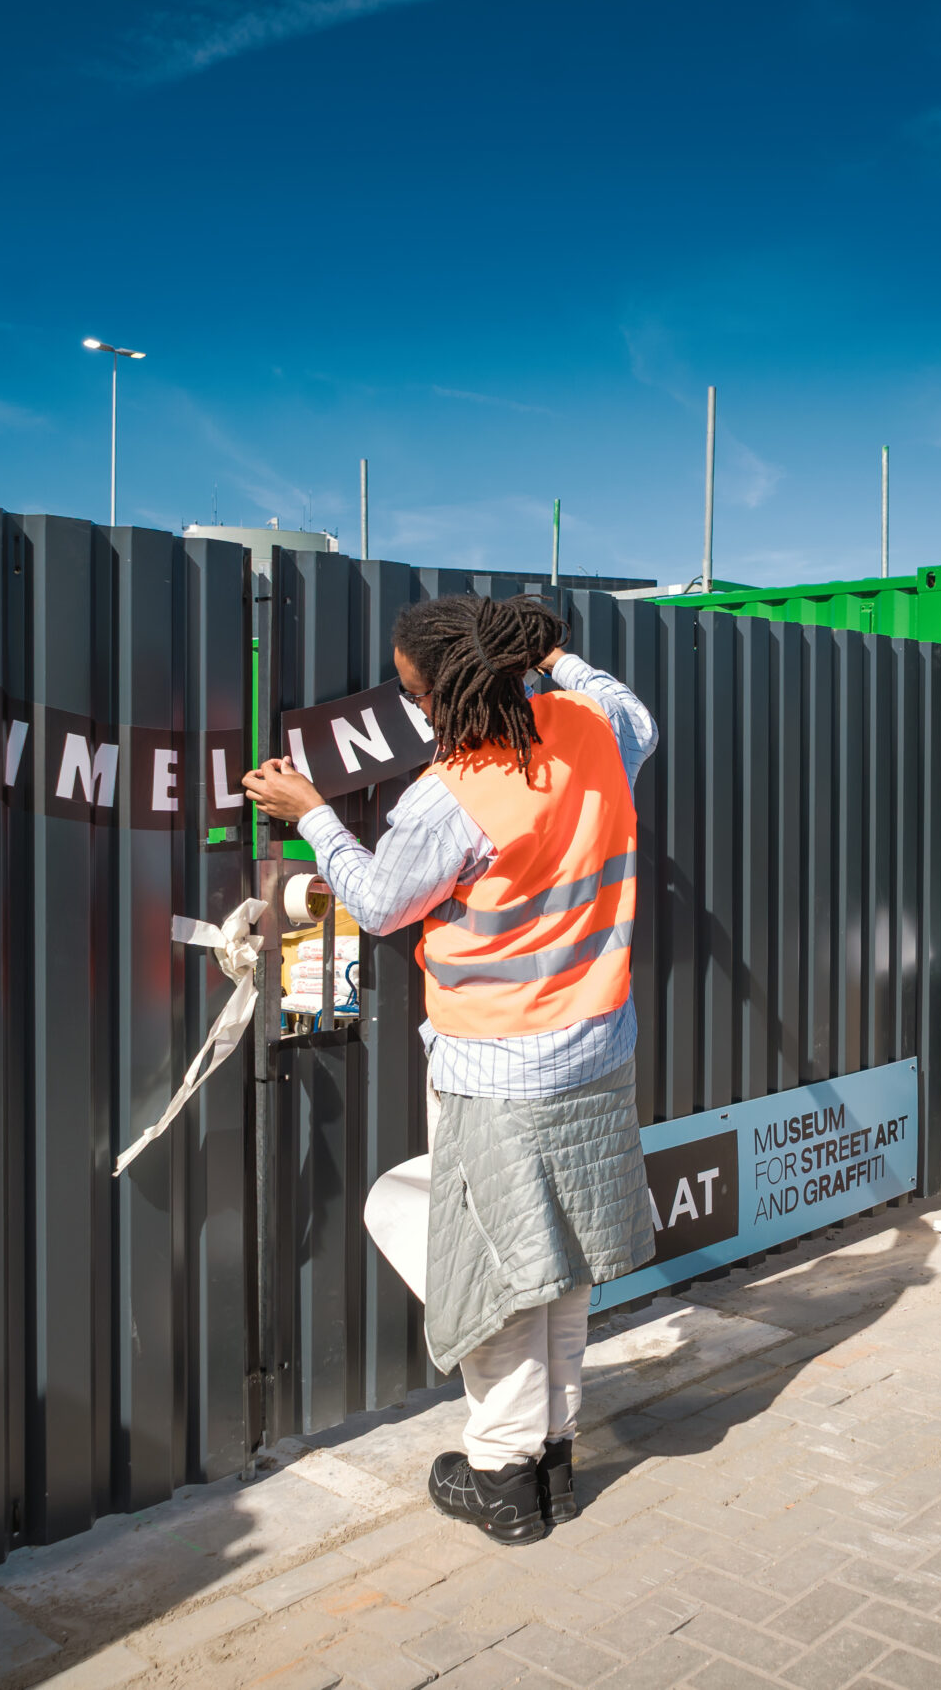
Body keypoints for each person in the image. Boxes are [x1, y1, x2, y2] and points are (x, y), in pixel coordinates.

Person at [243, 595, 657, 1546]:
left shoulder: (452, 792)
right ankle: (554, 1444)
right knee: (562, 1258)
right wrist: (560, 661)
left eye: (413, 688)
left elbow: (384, 900)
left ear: (445, 697)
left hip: (498, 1068)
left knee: (505, 1265)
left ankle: (503, 1475)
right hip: (597, 1047)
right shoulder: (596, 731)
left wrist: (312, 816)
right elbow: (634, 709)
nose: (412, 706)